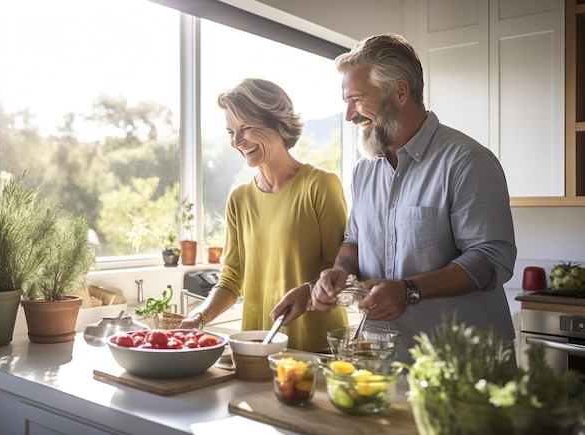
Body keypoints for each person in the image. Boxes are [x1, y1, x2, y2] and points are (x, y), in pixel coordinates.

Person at [277, 33, 517, 365]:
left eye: (358, 99)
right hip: (382, 361)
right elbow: (354, 241)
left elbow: (493, 258)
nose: (349, 115)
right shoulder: (364, 171)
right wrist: (340, 272)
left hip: (461, 363)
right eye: (346, 101)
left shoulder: (467, 161)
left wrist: (410, 289)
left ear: (400, 92)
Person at [180, 78, 348, 352]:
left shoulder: (320, 185)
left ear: (277, 124)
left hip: (316, 348)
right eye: (231, 132)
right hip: (256, 348)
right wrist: (198, 318)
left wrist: (307, 294)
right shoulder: (239, 199)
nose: (236, 141)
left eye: (245, 128)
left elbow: (340, 273)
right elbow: (232, 278)